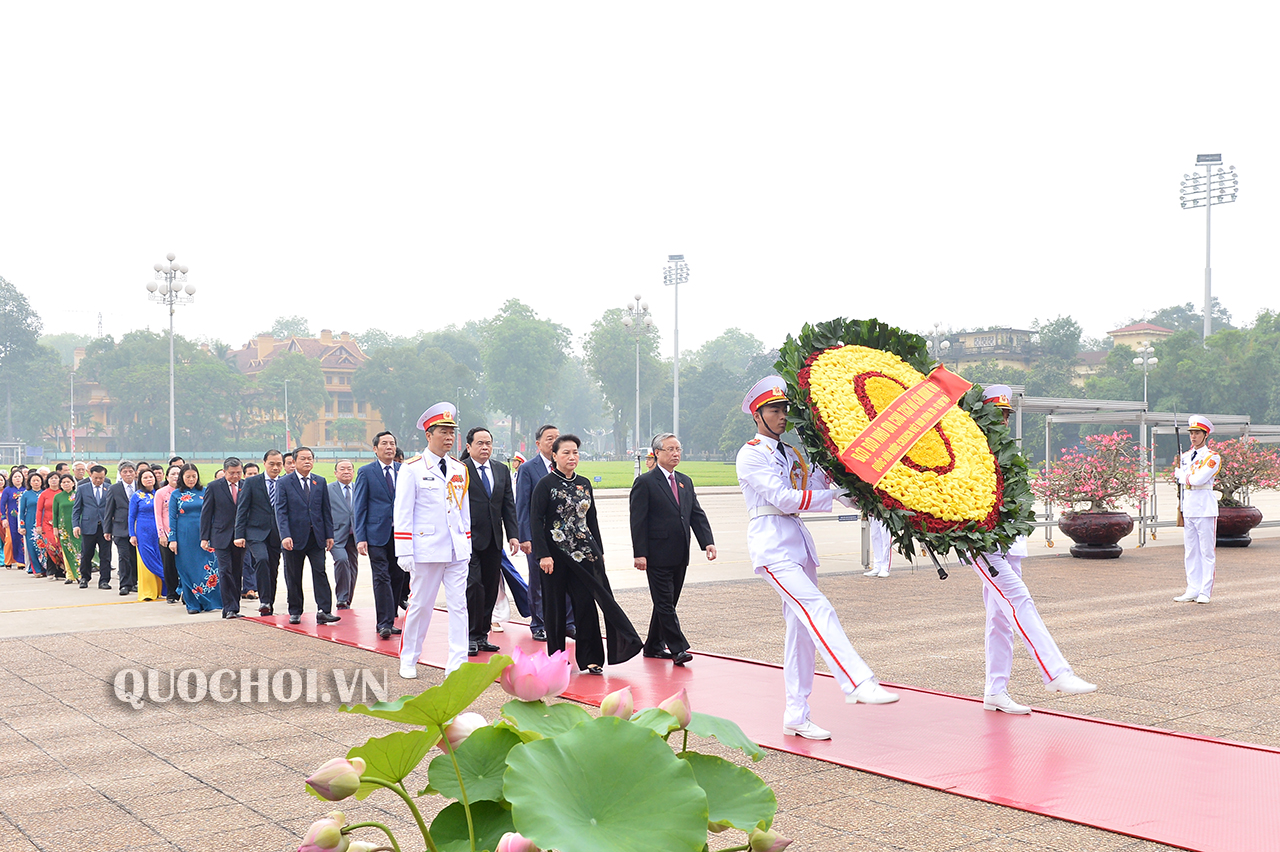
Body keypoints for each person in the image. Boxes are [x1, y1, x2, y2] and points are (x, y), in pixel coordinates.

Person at [737, 377, 898, 742]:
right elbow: (784, 498)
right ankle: (857, 681)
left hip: (798, 544)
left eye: (784, 409)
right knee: (817, 607)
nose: (782, 416)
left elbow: (817, 490)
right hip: (771, 544)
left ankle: (796, 715)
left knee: (800, 634)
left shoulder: (793, 454)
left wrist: (845, 482)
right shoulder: (751, 453)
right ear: (757, 415)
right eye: (774, 410)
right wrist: (832, 494)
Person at [970, 385, 1097, 715]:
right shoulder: (970, 448)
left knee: (1000, 620)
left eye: (1006, 415)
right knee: (1019, 599)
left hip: (1009, 543)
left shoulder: (1005, 449)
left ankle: (995, 690)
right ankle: (1056, 672)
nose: (1003, 420)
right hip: (984, 543)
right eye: (997, 414)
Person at [532, 433, 642, 675]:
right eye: (566, 453)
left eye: (575, 452)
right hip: (554, 556)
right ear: (554, 456)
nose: (572, 457)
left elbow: (591, 519)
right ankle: (557, 658)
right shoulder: (545, 484)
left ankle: (591, 658)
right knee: (555, 608)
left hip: (584, 554)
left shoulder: (584, 483)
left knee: (586, 605)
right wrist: (542, 555)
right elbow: (536, 521)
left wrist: (599, 551)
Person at [394, 403, 472, 679]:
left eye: (452, 432)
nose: (449, 437)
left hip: (456, 548)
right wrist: (404, 551)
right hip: (426, 549)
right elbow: (403, 512)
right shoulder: (412, 468)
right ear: (429, 435)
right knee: (420, 605)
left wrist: (466, 543)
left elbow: (463, 510)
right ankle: (409, 658)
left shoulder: (459, 468)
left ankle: (457, 662)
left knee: (459, 606)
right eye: (443, 432)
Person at [629, 432, 716, 666]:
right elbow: (638, 521)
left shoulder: (684, 481)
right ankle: (678, 648)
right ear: (657, 453)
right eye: (670, 449)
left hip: (680, 553)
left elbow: (695, 513)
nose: (676, 453)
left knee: (667, 603)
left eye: (678, 449)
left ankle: (653, 646)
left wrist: (707, 541)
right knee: (665, 604)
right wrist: (639, 553)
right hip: (656, 554)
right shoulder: (645, 482)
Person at [463, 427, 520, 656]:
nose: (485, 447)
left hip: (494, 539)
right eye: (480, 443)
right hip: (468, 539)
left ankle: (482, 635)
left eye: (488, 443)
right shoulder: (460, 470)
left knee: (489, 588)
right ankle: (470, 635)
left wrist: (513, 534)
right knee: (474, 587)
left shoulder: (500, 469)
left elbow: (508, 504)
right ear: (469, 447)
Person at [516, 424, 575, 641]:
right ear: (538, 443)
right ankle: (539, 623)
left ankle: (568, 623)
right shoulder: (528, 469)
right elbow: (522, 505)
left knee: (567, 578)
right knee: (538, 581)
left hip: (564, 538)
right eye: (549, 438)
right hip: (538, 536)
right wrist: (525, 537)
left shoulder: (565, 467)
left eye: (557, 437)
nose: (554, 441)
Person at [275, 446, 337, 626]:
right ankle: (295, 611)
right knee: (294, 575)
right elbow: (281, 511)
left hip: (316, 537)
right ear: (294, 462)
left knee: (320, 572)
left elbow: (325, 510)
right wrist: (285, 535)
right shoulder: (284, 482)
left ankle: (324, 610)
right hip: (293, 538)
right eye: (303, 458)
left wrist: (329, 534)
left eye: (310, 458)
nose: (307, 461)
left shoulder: (320, 481)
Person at [354, 431, 406, 641]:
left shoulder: (404, 471)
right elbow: (359, 506)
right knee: (381, 576)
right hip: (376, 534)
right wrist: (360, 537)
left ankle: (390, 619)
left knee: (398, 576)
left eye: (392, 443)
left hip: (400, 534)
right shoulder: (366, 472)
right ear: (375, 449)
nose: (389, 447)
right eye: (384, 443)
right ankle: (383, 623)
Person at [1175, 415, 1221, 604]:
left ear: (1205, 435)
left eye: (1197, 433)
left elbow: (1199, 479)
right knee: (1191, 551)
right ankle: (1192, 589)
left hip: (1205, 507)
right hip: (1190, 506)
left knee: (1206, 551)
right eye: (1191, 433)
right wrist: (1184, 477)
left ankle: (1205, 591)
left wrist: (1182, 476)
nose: (1193, 437)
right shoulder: (1185, 457)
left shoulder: (1212, 457)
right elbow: (1187, 481)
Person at [235, 449, 286, 616]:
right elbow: (242, 509)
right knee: (262, 559)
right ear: (264, 463)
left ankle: (269, 603)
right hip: (255, 532)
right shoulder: (252, 482)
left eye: (279, 464)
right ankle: (264, 600)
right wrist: (239, 534)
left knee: (273, 568)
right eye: (272, 464)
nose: (275, 467)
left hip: (277, 533)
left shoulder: (285, 482)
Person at [168, 464, 220, 614]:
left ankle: (210, 602)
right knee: (187, 569)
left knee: (208, 568)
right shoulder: (176, 494)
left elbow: (213, 513)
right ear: (182, 478)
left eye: (194, 476)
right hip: (184, 536)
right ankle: (192, 604)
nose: (191, 479)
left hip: (204, 534)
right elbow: (172, 518)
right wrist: (173, 539)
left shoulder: (205, 491)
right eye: (188, 477)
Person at [201, 457, 247, 619]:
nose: (235, 476)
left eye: (238, 473)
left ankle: (234, 607)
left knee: (237, 571)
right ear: (224, 472)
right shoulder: (214, 487)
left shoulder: (245, 485)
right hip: (221, 535)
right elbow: (206, 513)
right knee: (225, 570)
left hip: (240, 537)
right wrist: (204, 537)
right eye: (232, 473)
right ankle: (229, 608)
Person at [73, 465, 113, 589]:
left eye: (101, 478)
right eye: (95, 478)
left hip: (105, 527)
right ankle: (84, 578)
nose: (98, 480)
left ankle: (104, 580)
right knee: (86, 554)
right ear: (90, 475)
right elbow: (77, 509)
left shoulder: (110, 488)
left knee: (105, 555)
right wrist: (76, 525)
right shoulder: (82, 488)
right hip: (88, 526)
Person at [129, 467, 165, 601]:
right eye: (145, 477)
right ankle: (148, 592)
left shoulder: (160, 493)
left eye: (151, 477)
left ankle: (163, 590)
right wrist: (132, 534)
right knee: (147, 560)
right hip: (143, 532)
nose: (149, 479)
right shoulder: (137, 496)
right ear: (140, 480)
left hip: (159, 531)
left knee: (160, 557)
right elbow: (131, 517)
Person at [328, 460, 359, 610]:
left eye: (349, 469)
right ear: (335, 473)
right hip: (336, 535)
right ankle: (341, 598)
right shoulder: (328, 489)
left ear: (353, 472)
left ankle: (347, 600)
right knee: (341, 560)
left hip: (355, 535)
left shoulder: (359, 488)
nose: (346, 472)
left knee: (352, 567)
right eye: (342, 469)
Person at [104, 462, 139, 596]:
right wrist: (107, 530)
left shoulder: (140, 486)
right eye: (125, 472)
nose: (128, 474)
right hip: (121, 528)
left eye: (131, 471)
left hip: (138, 528)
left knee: (135, 557)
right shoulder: (114, 489)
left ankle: (134, 582)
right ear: (120, 474)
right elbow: (109, 510)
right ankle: (124, 584)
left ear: (135, 473)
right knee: (124, 557)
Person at [155, 465, 183, 603]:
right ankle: (172, 593)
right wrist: (161, 534)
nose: (176, 476)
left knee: (184, 564)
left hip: (184, 533)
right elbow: (158, 514)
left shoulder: (185, 492)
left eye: (178, 473)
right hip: (167, 532)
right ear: (167, 477)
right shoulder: (161, 493)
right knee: (169, 564)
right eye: (173, 474)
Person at [52, 473, 82, 585]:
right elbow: (55, 513)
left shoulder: (78, 494)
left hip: (76, 526)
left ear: (73, 483)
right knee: (66, 551)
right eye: (63, 482)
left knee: (78, 550)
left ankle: (79, 574)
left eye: (68, 482)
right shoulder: (58, 497)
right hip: (63, 527)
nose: (66, 484)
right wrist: (55, 527)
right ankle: (69, 575)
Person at [239, 462, 260, 602]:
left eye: (255, 473)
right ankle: (249, 588)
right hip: (243, 529)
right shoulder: (240, 488)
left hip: (258, 530)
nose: (252, 476)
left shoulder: (262, 487)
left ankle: (253, 586)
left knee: (255, 560)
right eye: (249, 474)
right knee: (246, 560)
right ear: (244, 475)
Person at [36, 471, 63, 578]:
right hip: (47, 524)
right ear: (47, 481)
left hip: (61, 523)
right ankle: (51, 570)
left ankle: (61, 570)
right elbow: (39, 510)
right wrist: (38, 525)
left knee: (60, 546)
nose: (54, 480)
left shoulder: (62, 493)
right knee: (51, 545)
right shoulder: (44, 494)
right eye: (51, 478)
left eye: (56, 478)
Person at [19, 471, 46, 576]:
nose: (36, 482)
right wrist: (22, 526)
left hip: (44, 521)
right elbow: (21, 511)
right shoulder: (25, 494)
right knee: (32, 546)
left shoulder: (45, 493)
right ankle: (36, 569)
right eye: (33, 480)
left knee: (44, 545)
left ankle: (46, 568)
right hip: (30, 522)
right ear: (29, 482)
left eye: (38, 480)